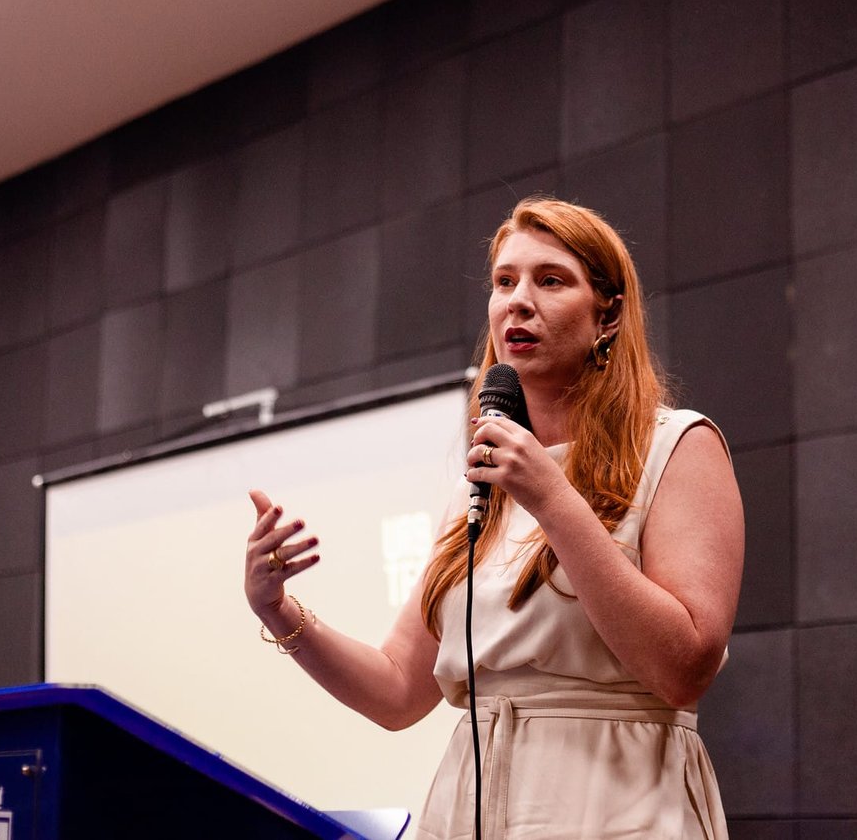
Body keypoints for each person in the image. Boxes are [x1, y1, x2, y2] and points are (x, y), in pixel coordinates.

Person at [244, 196, 744, 839]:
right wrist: (276, 609)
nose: (518, 301)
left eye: (551, 280)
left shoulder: (677, 447)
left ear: (609, 315)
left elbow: (684, 671)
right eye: (505, 281)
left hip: (618, 807)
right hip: (474, 808)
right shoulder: (482, 486)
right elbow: (397, 692)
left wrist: (552, 498)